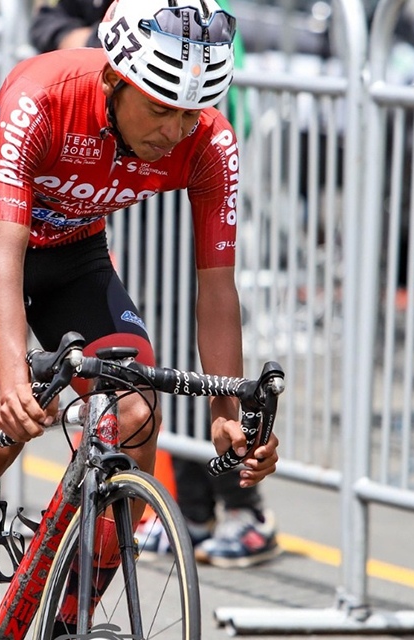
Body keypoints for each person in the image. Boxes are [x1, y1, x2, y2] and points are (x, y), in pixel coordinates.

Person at [0, 0, 280, 638]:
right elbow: (4, 266)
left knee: (136, 418)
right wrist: (12, 387)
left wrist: (226, 414)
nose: (175, 129)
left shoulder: (210, 143)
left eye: (191, 110)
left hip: (75, 259)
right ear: (112, 79)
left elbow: (217, 288)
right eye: (160, 107)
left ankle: (66, 615)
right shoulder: (40, 95)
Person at [30, 0, 282, 571]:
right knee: (153, 331)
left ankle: (237, 505)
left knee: (171, 344)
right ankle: (194, 510)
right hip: (97, 152)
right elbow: (45, 22)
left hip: (168, 167)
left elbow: (218, 293)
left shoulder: (196, 124)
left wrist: (180, 108)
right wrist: (97, 51)